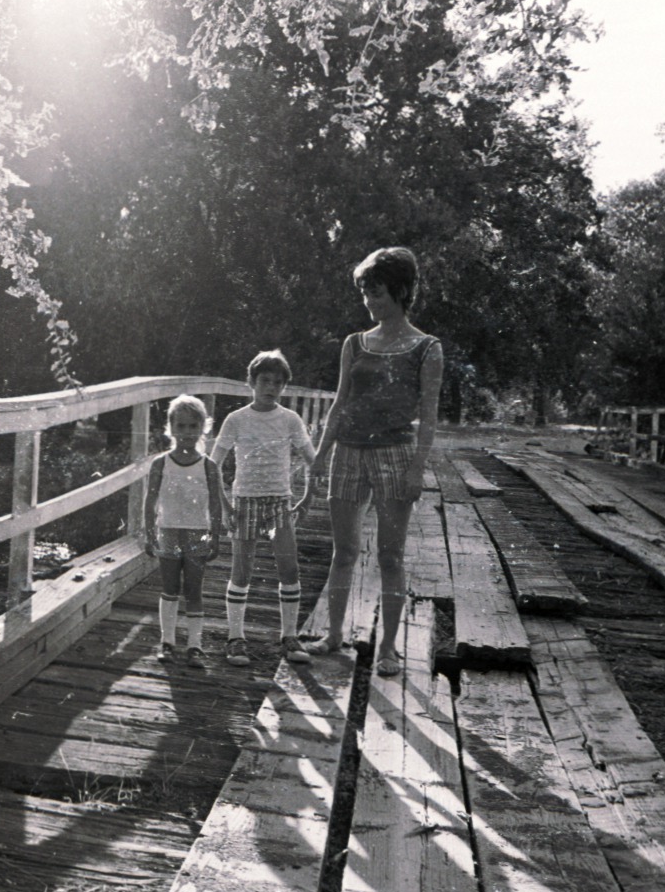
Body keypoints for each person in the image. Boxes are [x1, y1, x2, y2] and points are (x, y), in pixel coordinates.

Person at [305, 246, 444, 676]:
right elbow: (339, 403)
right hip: (348, 452)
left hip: (395, 455)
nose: (369, 302)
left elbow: (429, 417)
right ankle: (333, 635)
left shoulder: (427, 348)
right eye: (365, 293)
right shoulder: (354, 343)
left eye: (378, 292)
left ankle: (388, 649)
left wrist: (417, 469)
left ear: (401, 292)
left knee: (390, 556)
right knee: (343, 551)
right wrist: (319, 454)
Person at [210, 349, 315, 668]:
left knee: (289, 569)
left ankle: (289, 635)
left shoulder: (290, 419)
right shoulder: (236, 419)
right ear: (251, 382)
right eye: (265, 381)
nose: (271, 388)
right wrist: (225, 505)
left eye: (278, 383)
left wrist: (308, 497)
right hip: (245, 501)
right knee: (242, 571)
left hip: (280, 501)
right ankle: (236, 638)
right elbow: (212, 464)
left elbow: (313, 461)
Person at [143, 395, 225, 668]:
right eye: (182, 426)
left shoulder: (209, 466)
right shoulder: (161, 463)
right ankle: (167, 642)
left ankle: (195, 645)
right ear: (171, 427)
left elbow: (215, 504)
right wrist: (149, 532)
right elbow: (150, 500)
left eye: (193, 426)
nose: (187, 433)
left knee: (194, 589)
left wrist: (215, 536)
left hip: (197, 533)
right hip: (168, 530)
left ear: (203, 427)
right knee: (169, 588)